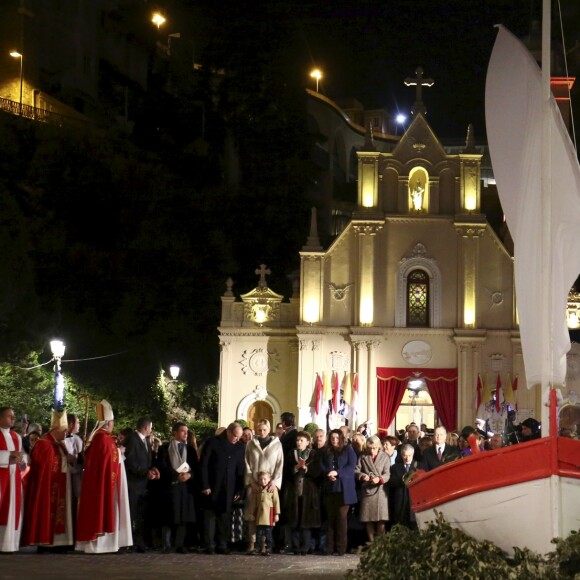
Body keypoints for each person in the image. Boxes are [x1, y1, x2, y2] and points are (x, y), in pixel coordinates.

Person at [75, 399, 133, 554]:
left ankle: (106, 544)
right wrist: (120, 453)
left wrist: (118, 453)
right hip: (104, 483)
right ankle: (100, 545)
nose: (113, 425)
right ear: (108, 422)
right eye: (112, 422)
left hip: (107, 480)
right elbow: (109, 459)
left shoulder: (104, 438)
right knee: (101, 508)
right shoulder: (102, 438)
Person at [21, 409, 73, 550]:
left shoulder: (58, 443)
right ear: (56, 429)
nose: (66, 433)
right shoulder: (44, 444)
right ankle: (46, 541)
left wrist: (69, 458)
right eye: (64, 430)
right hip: (49, 487)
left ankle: (59, 543)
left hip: (60, 484)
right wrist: (65, 459)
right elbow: (47, 467)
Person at [199, 422, 245, 554]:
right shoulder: (213, 442)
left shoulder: (239, 447)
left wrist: (239, 489)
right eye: (236, 436)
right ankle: (209, 544)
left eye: (239, 437)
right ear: (229, 432)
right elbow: (204, 465)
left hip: (229, 487)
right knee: (210, 516)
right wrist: (205, 484)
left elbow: (240, 470)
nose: (237, 439)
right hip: (212, 486)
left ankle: (222, 544)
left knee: (224, 517)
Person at [244, 419, 283, 554]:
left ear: (269, 429)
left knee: (266, 518)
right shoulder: (251, 444)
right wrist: (251, 482)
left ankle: (264, 544)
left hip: (269, 486)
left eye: (265, 430)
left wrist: (274, 482)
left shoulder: (276, 445)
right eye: (260, 430)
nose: (262, 432)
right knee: (252, 515)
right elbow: (247, 464)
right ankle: (252, 542)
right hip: (254, 485)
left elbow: (279, 465)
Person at [157, 422, 197, 553]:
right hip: (170, 486)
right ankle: (166, 544)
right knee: (168, 516)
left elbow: (196, 467)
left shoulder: (190, 449)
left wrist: (189, 475)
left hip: (185, 488)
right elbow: (162, 466)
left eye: (187, 431)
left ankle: (180, 544)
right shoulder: (165, 448)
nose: (186, 433)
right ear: (174, 433)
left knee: (183, 517)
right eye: (182, 431)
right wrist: (175, 475)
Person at [319, 428, 358, 556]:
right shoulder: (326, 451)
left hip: (344, 489)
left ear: (341, 439)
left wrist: (338, 473)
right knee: (330, 519)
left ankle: (341, 548)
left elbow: (351, 466)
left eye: (337, 438)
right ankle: (329, 547)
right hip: (330, 488)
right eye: (332, 438)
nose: (334, 440)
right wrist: (328, 473)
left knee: (341, 519)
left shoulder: (348, 450)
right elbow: (322, 465)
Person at [124, 417, 159, 552]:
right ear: (145, 428)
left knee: (140, 516)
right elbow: (131, 462)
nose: (151, 429)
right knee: (132, 515)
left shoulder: (145, 440)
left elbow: (147, 460)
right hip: (133, 484)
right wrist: (145, 473)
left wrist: (153, 469)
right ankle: (131, 542)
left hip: (142, 485)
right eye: (150, 427)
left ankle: (139, 542)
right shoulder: (132, 439)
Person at [283, 430, 321, 555]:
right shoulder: (291, 454)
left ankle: (305, 547)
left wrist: (306, 469)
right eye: (297, 440)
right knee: (294, 520)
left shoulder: (313, 454)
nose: (299, 443)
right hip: (294, 491)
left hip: (308, 492)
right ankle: (295, 547)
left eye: (301, 440)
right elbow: (286, 472)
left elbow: (317, 472)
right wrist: (295, 468)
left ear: (308, 442)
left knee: (306, 521)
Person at [354, 435, 390, 542]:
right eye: (370, 448)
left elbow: (387, 473)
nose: (372, 450)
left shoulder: (385, 457)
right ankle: (372, 542)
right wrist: (362, 476)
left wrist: (380, 479)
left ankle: (381, 543)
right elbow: (356, 471)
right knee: (368, 519)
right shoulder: (362, 457)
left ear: (378, 446)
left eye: (374, 448)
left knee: (381, 520)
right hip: (367, 490)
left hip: (381, 491)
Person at [0, 406, 26, 552]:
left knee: (12, 509)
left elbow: (22, 458)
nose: (13, 419)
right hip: (2, 477)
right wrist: (9, 455)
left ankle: (9, 545)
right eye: (10, 416)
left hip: (14, 477)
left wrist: (22, 460)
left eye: (13, 416)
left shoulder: (17, 436)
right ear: (1, 418)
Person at [245, 471, 280, 557]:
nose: (263, 481)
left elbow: (276, 502)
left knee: (268, 534)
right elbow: (253, 502)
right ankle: (257, 548)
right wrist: (251, 513)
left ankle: (268, 548)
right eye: (261, 479)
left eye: (265, 479)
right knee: (259, 533)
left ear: (269, 479)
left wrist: (276, 514)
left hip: (269, 515)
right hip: (259, 516)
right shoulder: (257, 489)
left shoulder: (273, 489)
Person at [388, 444, 417, 529]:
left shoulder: (418, 466)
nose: (407, 458)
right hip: (400, 501)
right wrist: (403, 480)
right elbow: (391, 482)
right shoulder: (395, 468)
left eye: (409, 455)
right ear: (401, 454)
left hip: (413, 500)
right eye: (405, 455)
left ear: (413, 454)